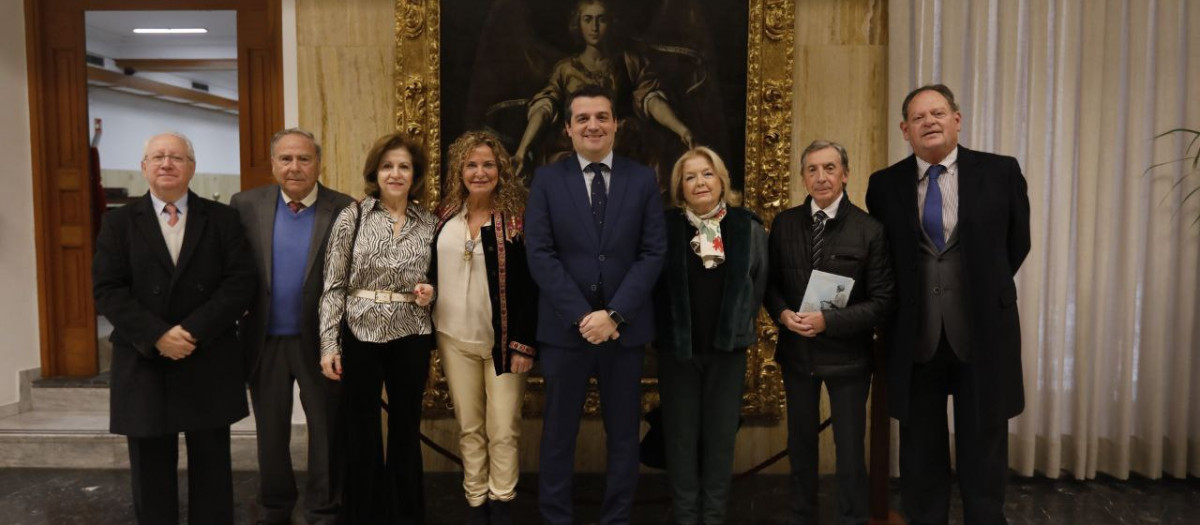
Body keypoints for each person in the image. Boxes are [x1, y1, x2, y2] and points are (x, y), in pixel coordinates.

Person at [865, 85, 1031, 525]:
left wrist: (979, 289)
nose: (929, 122)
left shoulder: (1001, 172)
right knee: (920, 455)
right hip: (915, 339)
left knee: (985, 451)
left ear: (957, 119)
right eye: (919, 117)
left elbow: (1017, 243)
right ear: (905, 130)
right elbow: (883, 258)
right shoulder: (882, 186)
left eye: (938, 113)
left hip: (983, 335)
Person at [93, 132, 256, 525]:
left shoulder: (223, 219)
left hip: (207, 354)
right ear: (144, 167)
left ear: (192, 167)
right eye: (158, 157)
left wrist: (192, 332)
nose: (167, 163)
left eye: (177, 157)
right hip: (144, 359)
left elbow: (240, 284)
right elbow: (107, 290)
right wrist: (157, 336)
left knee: (212, 468)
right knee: (150, 470)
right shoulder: (117, 223)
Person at [524, 84, 667, 525]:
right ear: (568, 128)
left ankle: (616, 519)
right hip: (567, 331)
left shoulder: (642, 179)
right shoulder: (547, 180)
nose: (593, 125)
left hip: (624, 332)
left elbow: (653, 252)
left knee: (623, 436)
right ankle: (555, 518)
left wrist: (614, 315)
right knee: (558, 435)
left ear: (616, 125)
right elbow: (540, 253)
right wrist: (585, 317)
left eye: (602, 116)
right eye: (583, 118)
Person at [765, 140, 895, 525]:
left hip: (849, 358)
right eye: (812, 169)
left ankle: (851, 518)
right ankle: (802, 515)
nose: (821, 177)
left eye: (830, 168)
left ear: (845, 174)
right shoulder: (785, 223)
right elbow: (769, 285)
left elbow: (883, 301)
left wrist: (829, 322)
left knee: (850, 451)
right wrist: (783, 314)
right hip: (797, 354)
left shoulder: (870, 230)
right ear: (803, 176)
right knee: (800, 445)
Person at [230, 128, 353, 525]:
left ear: (318, 163)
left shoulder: (345, 208)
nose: (295, 167)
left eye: (303, 159)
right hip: (263, 340)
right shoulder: (245, 205)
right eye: (286, 159)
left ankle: (323, 508)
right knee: (270, 432)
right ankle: (275, 506)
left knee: (326, 430)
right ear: (273, 164)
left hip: (322, 342)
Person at [317, 132, 438, 525]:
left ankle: (406, 514)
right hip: (359, 331)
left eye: (404, 166)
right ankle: (364, 515)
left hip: (412, 333)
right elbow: (333, 286)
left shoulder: (430, 223)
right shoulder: (352, 216)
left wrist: (428, 292)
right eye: (388, 166)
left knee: (406, 426)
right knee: (362, 429)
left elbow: (439, 281)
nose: (396, 173)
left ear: (415, 174)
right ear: (376, 172)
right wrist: (328, 345)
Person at [653, 147, 767, 525]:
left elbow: (758, 285)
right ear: (679, 188)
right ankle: (686, 514)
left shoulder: (746, 226)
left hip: (727, 352)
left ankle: (714, 515)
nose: (699, 182)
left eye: (707, 174)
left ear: (721, 181)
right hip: (677, 353)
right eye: (690, 177)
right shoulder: (664, 227)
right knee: (681, 439)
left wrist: (736, 325)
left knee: (720, 439)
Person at [429, 131, 538, 525]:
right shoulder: (442, 216)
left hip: (504, 343)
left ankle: (502, 502)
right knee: (469, 427)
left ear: (500, 169)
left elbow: (531, 287)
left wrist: (525, 343)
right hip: (453, 339)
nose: (479, 172)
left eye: (488, 164)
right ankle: (476, 502)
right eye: (471, 165)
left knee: (503, 428)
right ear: (460, 170)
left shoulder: (518, 219)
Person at [513, 0, 693, 176]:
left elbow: (651, 100)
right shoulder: (565, 69)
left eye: (601, 19)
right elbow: (544, 108)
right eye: (588, 19)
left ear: (612, 23)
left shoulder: (628, 61)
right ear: (578, 23)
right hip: (575, 148)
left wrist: (682, 130)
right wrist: (522, 149)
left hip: (623, 146)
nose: (594, 27)